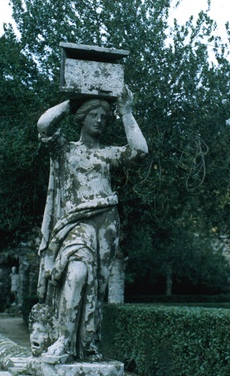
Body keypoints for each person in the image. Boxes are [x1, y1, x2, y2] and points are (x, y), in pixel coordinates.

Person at [35, 86, 148, 361]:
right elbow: (44, 125)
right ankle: (62, 339)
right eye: (94, 114)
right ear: (82, 118)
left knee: (96, 287)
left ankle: (87, 346)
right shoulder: (65, 149)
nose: (100, 120)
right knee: (76, 273)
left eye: (104, 117)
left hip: (107, 223)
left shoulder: (109, 154)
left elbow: (140, 151)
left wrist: (126, 112)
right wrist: (72, 100)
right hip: (75, 224)